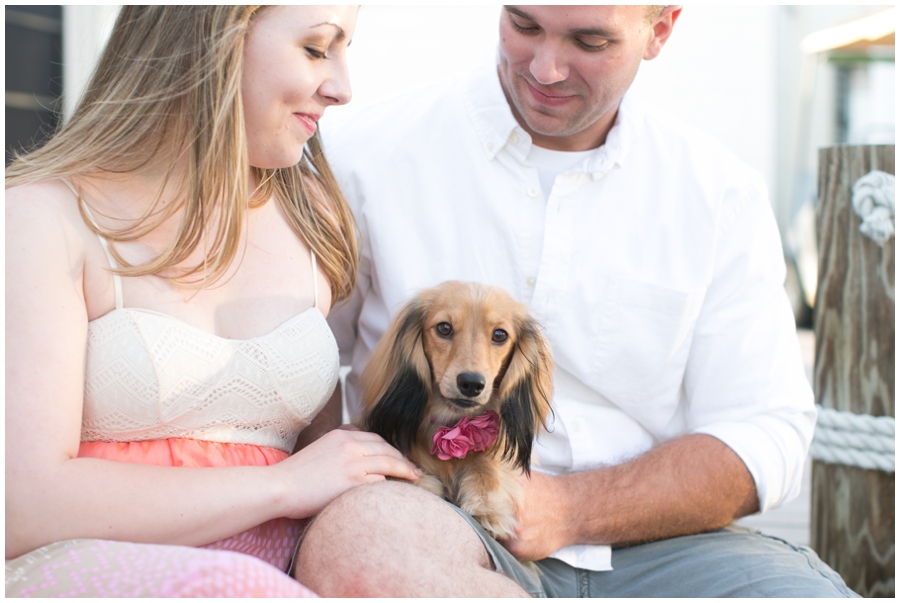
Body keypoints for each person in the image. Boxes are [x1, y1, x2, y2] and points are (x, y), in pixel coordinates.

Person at [298, 5, 859, 598]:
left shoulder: (719, 193)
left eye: (589, 42)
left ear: (659, 30)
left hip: (660, 548)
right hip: (431, 514)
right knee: (361, 551)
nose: (545, 67)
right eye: (524, 25)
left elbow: (765, 429)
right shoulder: (363, 154)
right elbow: (300, 358)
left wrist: (569, 508)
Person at [5, 5, 422, 598]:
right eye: (315, 48)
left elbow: (321, 463)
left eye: (344, 49)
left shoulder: (313, 216)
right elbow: (21, 504)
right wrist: (281, 487)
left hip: (285, 572)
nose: (341, 88)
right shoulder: (42, 216)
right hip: (84, 570)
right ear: (215, 37)